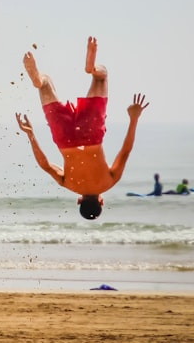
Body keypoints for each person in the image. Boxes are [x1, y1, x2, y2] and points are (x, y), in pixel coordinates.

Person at [15, 37, 149, 219]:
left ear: (102, 201)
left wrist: (134, 119)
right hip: (64, 138)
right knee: (45, 84)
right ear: (79, 201)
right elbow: (45, 165)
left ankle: (92, 69)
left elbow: (125, 152)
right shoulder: (69, 184)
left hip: (91, 134)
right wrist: (30, 135)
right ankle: (39, 80)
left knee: (102, 78)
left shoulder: (108, 182)